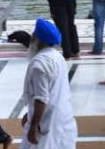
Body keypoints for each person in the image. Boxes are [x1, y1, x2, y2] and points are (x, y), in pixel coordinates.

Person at [20, 17, 78, 149]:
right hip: (63, 117)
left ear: (37, 40)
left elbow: (42, 99)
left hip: (47, 122)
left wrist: (33, 126)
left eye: (34, 35)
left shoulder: (39, 64)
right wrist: (29, 114)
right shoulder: (57, 57)